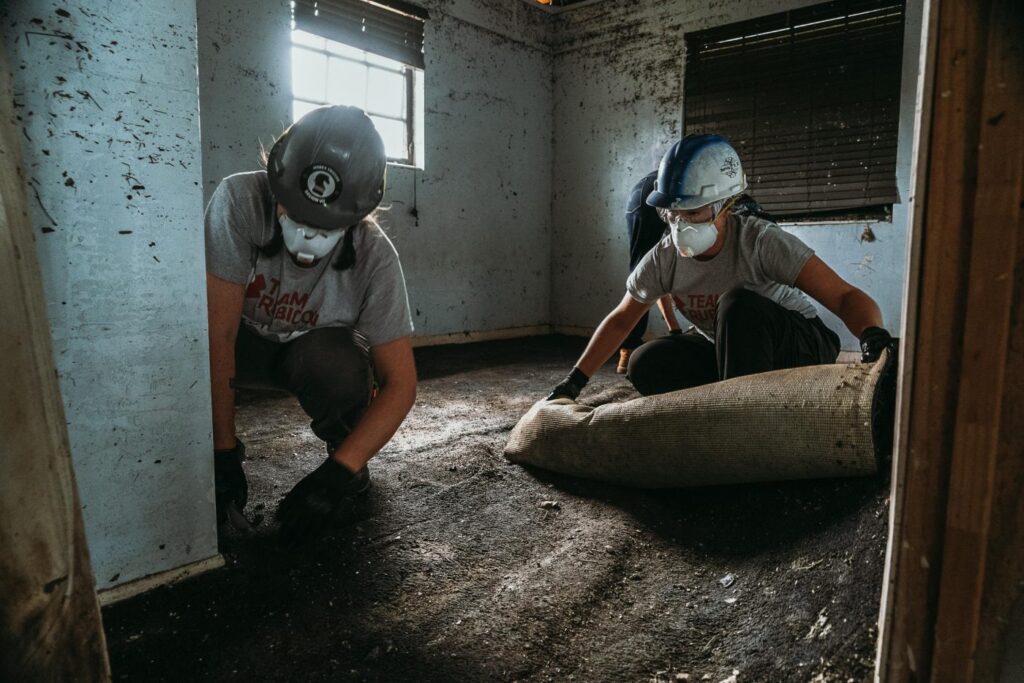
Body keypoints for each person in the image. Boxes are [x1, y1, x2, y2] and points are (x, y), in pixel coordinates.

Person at [205, 105, 417, 543]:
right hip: (237, 347)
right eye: (294, 211)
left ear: (359, 213)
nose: (306, 235)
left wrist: (339, 472)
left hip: (307, 356)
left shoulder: (375, 257)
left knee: (338, 362)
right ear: (274, 177)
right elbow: (216, 335)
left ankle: (345, 451)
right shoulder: (240, 201)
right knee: (175, 348)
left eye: (326, 224)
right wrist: (222, 451)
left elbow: (400, 384)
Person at [549, 134, 894, 401]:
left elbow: (844, 296)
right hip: (729, 349)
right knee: (645, 362)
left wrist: (873, 338)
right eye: (672, 212)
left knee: (737, 304)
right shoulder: (664, 256)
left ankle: (738, 411)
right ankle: (735, 391)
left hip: (799, 343)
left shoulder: (759, 241)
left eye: (694, 212)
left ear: (725, 206)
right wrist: (573, 383)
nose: (680, 223)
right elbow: (623, 318)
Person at [618, 172, 681, 373]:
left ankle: (673, 332)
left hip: (641, 195)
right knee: (645, 271)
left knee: (653, 266)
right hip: (647, 197)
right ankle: (628, 348)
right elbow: (652, 278)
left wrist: (675, 330)